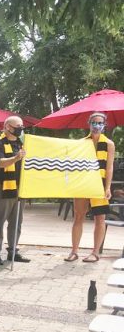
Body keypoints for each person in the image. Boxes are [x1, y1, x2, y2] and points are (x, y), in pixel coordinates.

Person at [66, 112, 115, 263]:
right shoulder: (82, 143)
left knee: (100, 218)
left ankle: (95, 253)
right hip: (82, 184)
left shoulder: (109, 144)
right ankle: (74, 251)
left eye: (100, 122)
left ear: (104, 125)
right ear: (89, 123)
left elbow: (109, 168)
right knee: (78, 216)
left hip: (99, 185)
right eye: (94, 122)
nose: (97, 125)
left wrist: (107, 188)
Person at [0, 116, 30, 265]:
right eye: (16, 126)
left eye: (21, 126)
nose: (20, 129)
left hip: (20, 188)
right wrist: (16, 158)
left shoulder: (22, 144)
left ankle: (13, 251)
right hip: (3, 188)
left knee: (17, 222)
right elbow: (0, 163)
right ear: (7, 127)